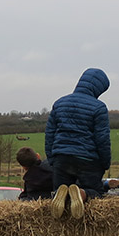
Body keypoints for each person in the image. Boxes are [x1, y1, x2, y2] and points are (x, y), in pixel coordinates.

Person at [44, 68, 112, 218]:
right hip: (88, 160)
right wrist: (105, 163)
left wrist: (52, 159)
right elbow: (102, 139)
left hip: (61, 157)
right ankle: (81, 194)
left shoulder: (59, 103)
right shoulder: (99, 107)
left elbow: (49, 134)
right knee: (97, 192)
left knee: (59, 193)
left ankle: (60, 195)